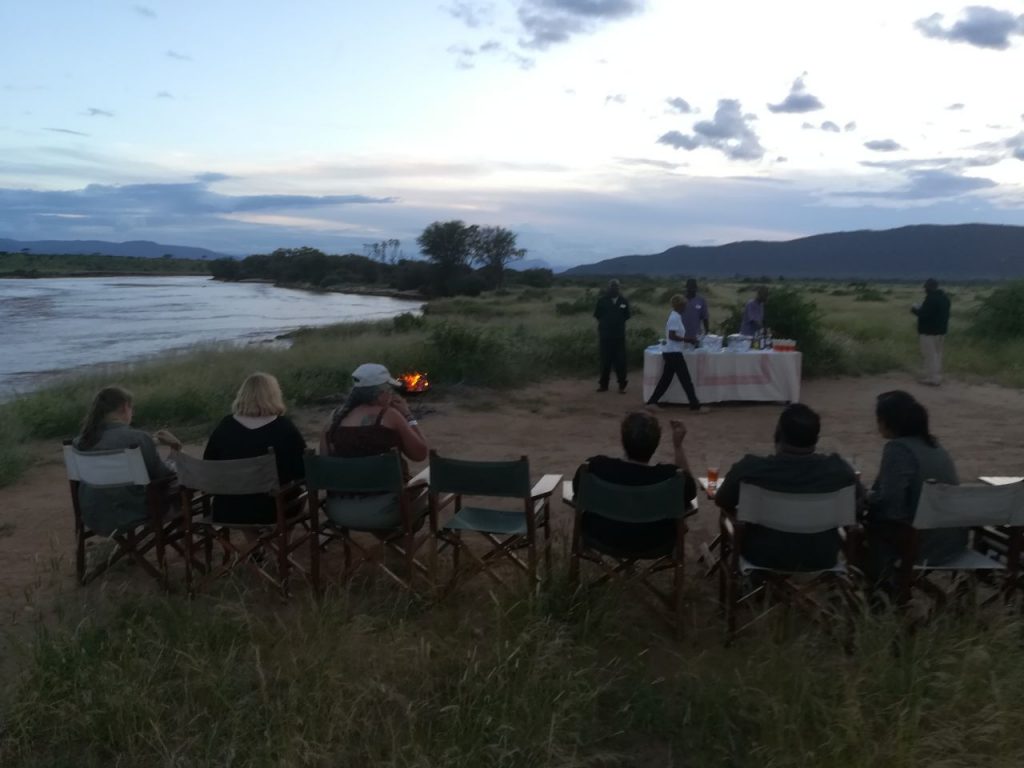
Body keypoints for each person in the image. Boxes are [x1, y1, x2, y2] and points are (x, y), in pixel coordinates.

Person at [715, 404, 860, 570]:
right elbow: (858, 504)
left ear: (779, 434)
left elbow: (722, 500)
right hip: (821, 557)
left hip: (762, 556)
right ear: (816, 438)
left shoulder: (750, 469)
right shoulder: (840, 470)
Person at [863, 390, 963, 588]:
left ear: (885, 421)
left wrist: (865, 498)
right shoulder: (935, 445)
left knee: (861, 531)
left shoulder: (898, 449)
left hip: (920, 543)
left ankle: (882, 591)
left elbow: (892, 507)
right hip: (953, 542)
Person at [572, 411, 697, 557]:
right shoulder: (670, 477)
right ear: (656, 443)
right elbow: (690, 492)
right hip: (656, 543)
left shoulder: (595, 467)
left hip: (601, 538)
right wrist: (678, 446)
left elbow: (577, 492)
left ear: (622, 439)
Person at [320, 363, 429, 528]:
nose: (391, 395)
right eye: (389, 391)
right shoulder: (389, 416)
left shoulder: (333, 419)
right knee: (428, 477)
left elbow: (324, 460)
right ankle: (397, 542)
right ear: (380, 394)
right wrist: (408, 415)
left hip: (338, 511)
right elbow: (420, 454)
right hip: (385, 511)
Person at [74, 385, 182, 535]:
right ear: (125, 407)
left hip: (93, 516)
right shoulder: (138, 438)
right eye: (132, 408)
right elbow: (165, 477)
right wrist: (175, 450)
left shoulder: (80, 442)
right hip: (130, 515)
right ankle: (184, 540)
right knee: (182, 487)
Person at [203, 372, 307, 525]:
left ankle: (253, 542)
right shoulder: (283, 427)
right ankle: (281, 543)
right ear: (274, 395)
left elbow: (210, 464)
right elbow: (302, 469)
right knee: (298, 492)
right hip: (273, 510)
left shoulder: (225, 426)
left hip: (228, 509)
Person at [646, 294, 708, 412]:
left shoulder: (676, 316)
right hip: (674, 353)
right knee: (685, 379)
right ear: (680, 305)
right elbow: (672, 336)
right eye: (684, 305)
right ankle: (695, 405)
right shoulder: (674, 318)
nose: (686, 307)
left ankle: (652, 402)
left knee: (666, 380)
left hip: (671, 352)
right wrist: (689, 340)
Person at [593, 279, 631, 393]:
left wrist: (617, 322)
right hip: (605, 336)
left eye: (616, 287)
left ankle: (622, 385)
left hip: (619, 336)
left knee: (620, 361)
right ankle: (603, 385)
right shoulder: (602, 301)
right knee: (605, 361)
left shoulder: (623, 301)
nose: (614, 288)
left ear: (619, 288)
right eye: (612, 286)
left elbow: (627, 316)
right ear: (608, 288)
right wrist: (607, 323)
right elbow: (597, 315)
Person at [911, 278, 951, 386]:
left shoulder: (930, 299)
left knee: (929, 355)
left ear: (928, 288)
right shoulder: (945, 299)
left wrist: (914, 309)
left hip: (928, 332)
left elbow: (924, 314)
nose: (925, 290)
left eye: (926, 288)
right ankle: (937, 376)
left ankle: (932, 378)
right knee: (938, 354)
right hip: (941, 331)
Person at [680, 278, 710, 344]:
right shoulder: (680, 300)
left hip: (696, 336)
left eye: (693, 288)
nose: (691, 290)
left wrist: (707, 332)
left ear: (696, 289)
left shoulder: (701, 300)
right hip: (682, 336)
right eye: (689, 288)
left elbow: (705, 317)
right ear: (686, 288)